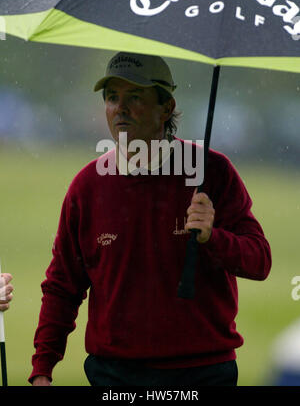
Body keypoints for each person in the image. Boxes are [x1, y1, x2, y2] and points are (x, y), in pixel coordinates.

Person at [29, 52, 272, 387]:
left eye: (135, 97)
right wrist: (43, 366)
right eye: (113, 97)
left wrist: (212, 237)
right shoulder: (86, 186)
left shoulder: (212, 172)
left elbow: (260, 261)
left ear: (166, 108)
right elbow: (63, 285)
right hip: (114, 376)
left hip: (202, 373)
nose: (121, 108)